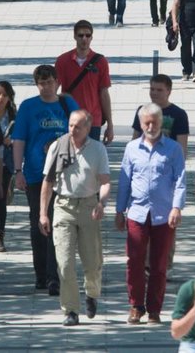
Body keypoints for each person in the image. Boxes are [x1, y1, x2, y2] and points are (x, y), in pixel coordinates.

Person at [38, 110, 111, 326]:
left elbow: (105, 181)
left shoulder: (97, 149)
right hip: (64, 207)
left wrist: (101, 202)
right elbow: (48, 182)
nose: (73, 130)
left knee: (93, 263)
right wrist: (43, 213)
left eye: (78, 126)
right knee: (64, 263)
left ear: (88, 128)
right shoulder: (58, 146)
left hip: (89, 206)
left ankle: (91, 293)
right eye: (70, 125)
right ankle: (70, 310)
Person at [117, 103, 187, 325]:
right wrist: (119, 210)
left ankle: (154, 309)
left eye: (154, 122)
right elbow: (124, 181)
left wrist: (177, 207)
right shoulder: (131, 149)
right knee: (134, 260)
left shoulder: (173, 149)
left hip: (163, 214)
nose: (150, 126)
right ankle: (136, 305)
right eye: (146, 122)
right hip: (137, 213)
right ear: (140, 123)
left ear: (161, 123)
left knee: (159, 264)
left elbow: (180, 181)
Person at [13, 65, 80, 296]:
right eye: (41, 82)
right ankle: (40, 273)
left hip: (64, 176)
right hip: (35, 174)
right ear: (36, 84)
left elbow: (80, 134)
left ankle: (54, 276)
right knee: (38, 224)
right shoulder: (28, 107)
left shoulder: (67, 105)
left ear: (57, 82)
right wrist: (17, 170)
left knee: (57, 224)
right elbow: (19, 139)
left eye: (49, 82)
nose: (46, 86)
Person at [55, 20, 115, 143]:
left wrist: (110, 124)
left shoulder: (100, 61)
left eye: (87, 35)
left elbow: (104, 93)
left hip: (92, 120)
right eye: (80, 35)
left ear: (92, 37)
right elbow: (53, 90)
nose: (84, 39)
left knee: (91, 160)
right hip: (69, 118)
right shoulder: (63, 60)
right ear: (74, 36)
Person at [0, 80, 17, 253]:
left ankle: (0, 235)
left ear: (9, 98)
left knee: (1, 199)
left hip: (5, 161)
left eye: (4, 95)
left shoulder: (13, 114)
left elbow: (20, 136)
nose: (0, 98)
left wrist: (11, 141)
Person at [130, 74, 191, 152]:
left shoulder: (179, 114)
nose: (154, 93)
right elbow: (135, 137)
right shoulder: (142, 110)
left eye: (159, 90)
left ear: (168, 91)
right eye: (152, 89)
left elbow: (182, 146)